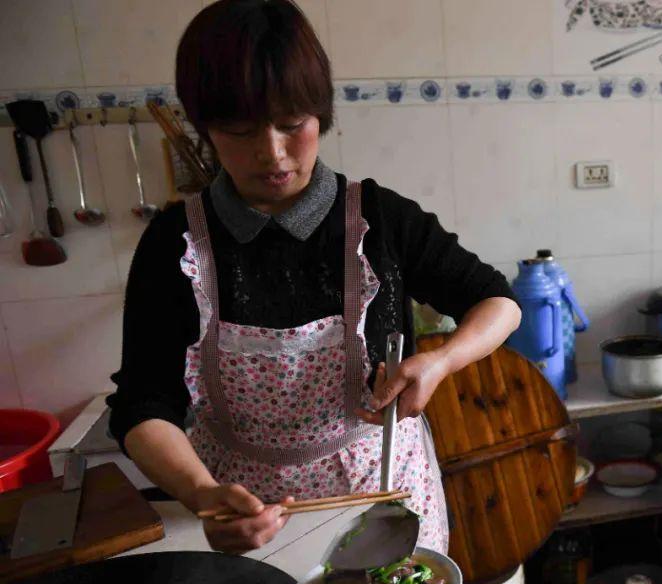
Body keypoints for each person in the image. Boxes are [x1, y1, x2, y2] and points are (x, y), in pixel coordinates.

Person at [106, 0, 521, 555]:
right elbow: (142, 404)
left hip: (382, 498)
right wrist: (202, 493)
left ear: (320, 114)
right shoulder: (173, 243)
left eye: (291, 125)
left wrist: (441, 361)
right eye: (241, 130)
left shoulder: (381, 218)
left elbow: (498, 301)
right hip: (243, 518)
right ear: (205, 128)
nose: (272, 154)